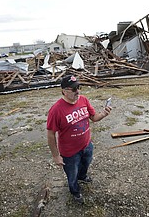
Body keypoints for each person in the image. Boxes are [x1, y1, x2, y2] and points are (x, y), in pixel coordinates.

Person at [47, 74, 112, 204]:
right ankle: (75, 192)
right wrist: (55, 155)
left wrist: (104, 114)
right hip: (70, 153)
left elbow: (93, 117)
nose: (78, 91)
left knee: (86, 165)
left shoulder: (84, 100)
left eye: (79, 87)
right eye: (74, 89)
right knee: (72, 176)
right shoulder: (56, 110)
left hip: (87, 145)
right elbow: (50, 134)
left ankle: (82, 177)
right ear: (64, 91)